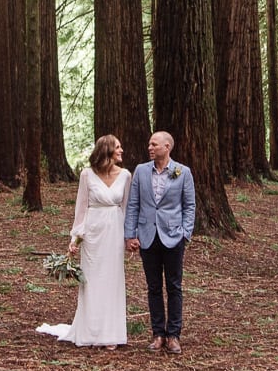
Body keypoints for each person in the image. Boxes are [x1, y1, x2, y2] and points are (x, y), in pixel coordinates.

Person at [36, 135, 131, 348]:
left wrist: (128, 237)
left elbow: (126, 208)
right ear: (106, 151)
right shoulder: (87, 175)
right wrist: (76, 238)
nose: (122, 150)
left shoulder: (125, 175)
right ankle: (90, 330)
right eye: (118, 147)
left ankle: (111, 334)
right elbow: (81, 209)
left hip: (114, 231)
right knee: (92, 281)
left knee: (112, 280)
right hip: (93, 234)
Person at [124, 131, 195, 354]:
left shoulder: (182, 172)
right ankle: (158, 334)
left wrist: (185, 233)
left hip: (174, 237)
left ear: (167, 147)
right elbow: (133, 204)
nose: (150, 147)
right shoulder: (141, 171)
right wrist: (130, 234)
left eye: (154, 144)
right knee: (153, 287)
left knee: (174, 287)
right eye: (149, 144)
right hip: (147, 236)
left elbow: (189, 205)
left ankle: (174, 335)